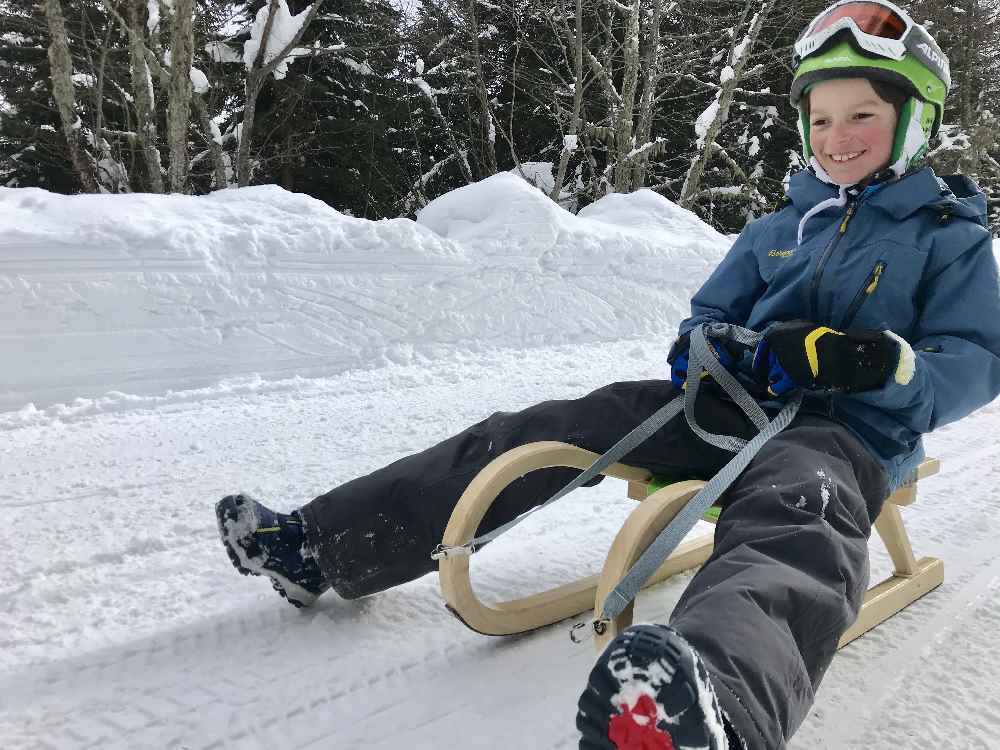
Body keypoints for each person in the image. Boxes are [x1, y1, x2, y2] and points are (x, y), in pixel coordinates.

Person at [214, 2, 1000, 747]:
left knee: (799, 513)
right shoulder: (775, 229)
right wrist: (729, 349)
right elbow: (699, 323)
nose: (838, 136)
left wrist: (881, 363)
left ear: (914, 121)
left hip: (845, 434)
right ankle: (323, 545)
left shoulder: (947, 237)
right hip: (727, 409)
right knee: (552, 426)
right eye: (821, 118)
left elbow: (974, 358)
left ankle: (715, 707)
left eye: (863, 115)